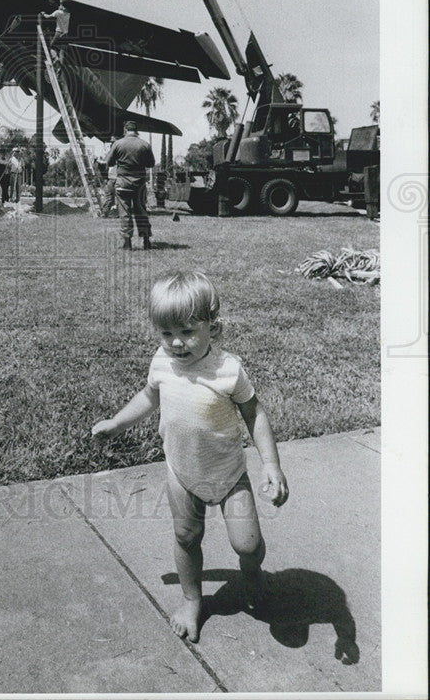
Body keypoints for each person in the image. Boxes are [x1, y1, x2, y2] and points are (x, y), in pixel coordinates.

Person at [92, 271, 289, 644]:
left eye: (186, 332)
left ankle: (251, 572)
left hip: (228, 473)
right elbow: (149, 397)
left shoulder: (228, 370)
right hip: (181, 469)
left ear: (213, 330)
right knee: (186, 535)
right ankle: (192, 599)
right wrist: (118, 423)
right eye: (166, 334)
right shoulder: (162, 362)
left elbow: (255, 413)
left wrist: (271, 464)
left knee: (247, 544)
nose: (176, 344)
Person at [106, 120, 155, 248]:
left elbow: (109, 162)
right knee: (141, 211)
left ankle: (127, 243)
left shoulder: (118, 144)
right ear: (136, 130)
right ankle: (146, 241)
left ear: (125, 130)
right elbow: (151, 164)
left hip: (123, 183)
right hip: (139, 183)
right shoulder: (145, 145)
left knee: (125, 213)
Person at [39, 0, 71, 74]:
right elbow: (62, 8)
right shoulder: (68, 13)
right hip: (65, 34)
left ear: (61, 2)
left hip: (58, 33)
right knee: (62, 51)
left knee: (50, 48)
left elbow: (48, 16)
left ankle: (55, 58)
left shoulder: (57, 12)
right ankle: (60, 68)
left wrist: (43, 14)